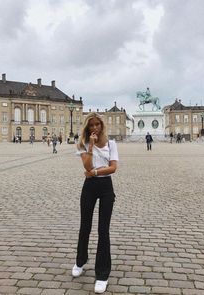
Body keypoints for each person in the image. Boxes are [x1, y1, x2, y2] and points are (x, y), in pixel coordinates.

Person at [72, 112, 118, 294]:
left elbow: (113, 167)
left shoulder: (111, 144)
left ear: (102, 125)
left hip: (106, 185)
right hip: (89, 186)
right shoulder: (82, 144)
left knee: (103, 230)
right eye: (91, 125)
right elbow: (87, 167)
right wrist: (90, 146)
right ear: (87, 127)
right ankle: (80, 261)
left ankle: (102, 274)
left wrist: (97, 173)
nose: (95, 128)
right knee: (85, 226)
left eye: (97, 124)